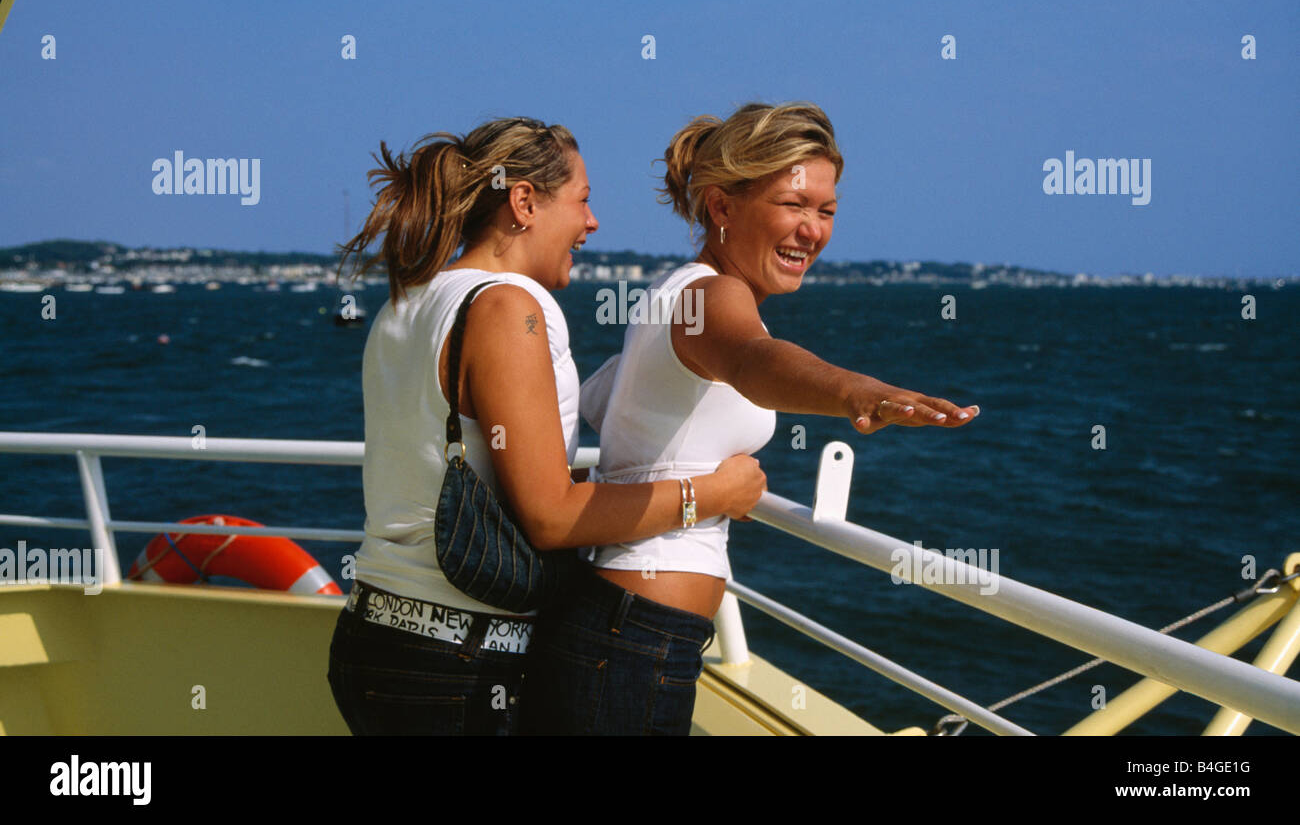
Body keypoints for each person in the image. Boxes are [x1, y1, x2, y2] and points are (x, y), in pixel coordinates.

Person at [520, 102, 979, 736]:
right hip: (635, 637)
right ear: (722, 207)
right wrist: (859, 393)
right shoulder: (711, 296)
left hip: (627, 626)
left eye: (826, 211)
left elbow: (618, 404)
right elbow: (754, 360)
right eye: (793, 206)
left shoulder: (676, 292)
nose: (812, 231)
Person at [326, 117, 766, 736]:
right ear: (524, 201)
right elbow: (550, 517)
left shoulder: (409, 302)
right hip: (456, 663)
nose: (591, 224)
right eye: (582, 201)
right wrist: (713, 495)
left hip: (375, 633)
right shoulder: (510, 308)